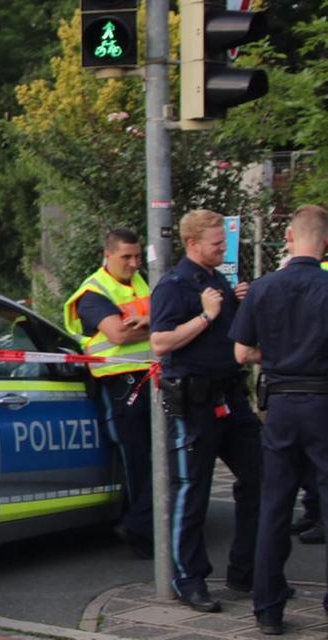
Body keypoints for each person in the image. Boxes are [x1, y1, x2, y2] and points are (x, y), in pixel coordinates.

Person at [149, 208, 259, 614]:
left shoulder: (217, 281)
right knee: (192, 489)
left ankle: (244, 570)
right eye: (216, 243)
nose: (222, 249)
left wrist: (238, 302)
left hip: (231, 398)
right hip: (195, 402)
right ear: (193, 244)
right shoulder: (174, 286)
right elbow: (160, 343)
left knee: (260, 475)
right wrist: (206, 315)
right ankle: (188, 578)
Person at [231, 204, 328, 635]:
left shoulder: (263, 288)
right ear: (325, 243)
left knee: (274, 506)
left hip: (281, 407)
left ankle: (268, 609)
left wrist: (282, 357)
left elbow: (241, 353)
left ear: (289, 237)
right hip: (324, 405)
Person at [63, 229, 154, 558]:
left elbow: (140, 326)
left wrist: (144, 320)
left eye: (137, 256)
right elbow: (118, 333)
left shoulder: (140, 282)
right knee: (138, 461)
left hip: (149, 378)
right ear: (108, 254)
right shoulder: (93, 292)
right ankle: (141, 533)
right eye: (126, 257)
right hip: (120, 385)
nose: (134, 263)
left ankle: (146, 525)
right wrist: (157, 319)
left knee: (161, 457)